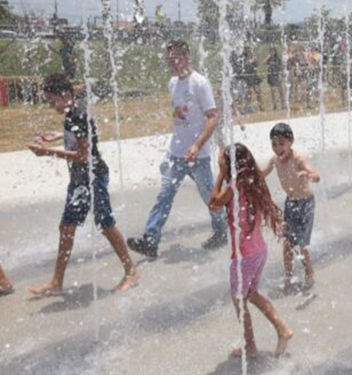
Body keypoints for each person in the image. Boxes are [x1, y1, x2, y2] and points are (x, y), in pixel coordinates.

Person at [26, 73, 140, 295]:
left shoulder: (77, 114)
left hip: (93, 177)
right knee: (67, 228)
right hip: (79, 180)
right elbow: (82, 137)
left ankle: (131, 271)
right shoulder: (72, 113)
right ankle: (56, 282)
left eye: (53, 101)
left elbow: (84, 155)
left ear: (66, 94)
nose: (52, 106)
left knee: (106, 225)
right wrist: (59, 135)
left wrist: (47, 152)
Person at [128, 40, 228, 258]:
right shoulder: (173, 83)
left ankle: (221, 231)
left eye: (175, 59)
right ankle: (150, 241)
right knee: (164, 196)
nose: (171, 64)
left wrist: (197, 144)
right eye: (168, 60)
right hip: (175, 154)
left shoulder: (200, 83)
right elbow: (180, 116)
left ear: (186, 57)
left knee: (210, 198)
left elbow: (213, 117)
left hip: (198, 156)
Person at [210, 143, 293, 358]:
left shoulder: (234, 187)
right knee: (251, 294)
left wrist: (220, 174)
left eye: (223, 160)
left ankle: (251, 347)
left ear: (231, 164)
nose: (220, 162)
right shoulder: (253, 182)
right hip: (259, 252)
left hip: (244, 257)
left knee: (239, 299)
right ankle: (282, 329)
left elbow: (213, 203)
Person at [261, 123, 320, 293]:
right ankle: (288, 277)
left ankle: (310, 273)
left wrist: (307, 175)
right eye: (274, 144)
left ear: (290, 142)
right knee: (287, 244)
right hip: (291, 203)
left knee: (300, 245)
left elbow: (317, 176)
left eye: (281, 143)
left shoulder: (298, 159)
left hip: (305, 203)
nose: (278, 148)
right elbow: (261, 174)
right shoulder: (275, 161)